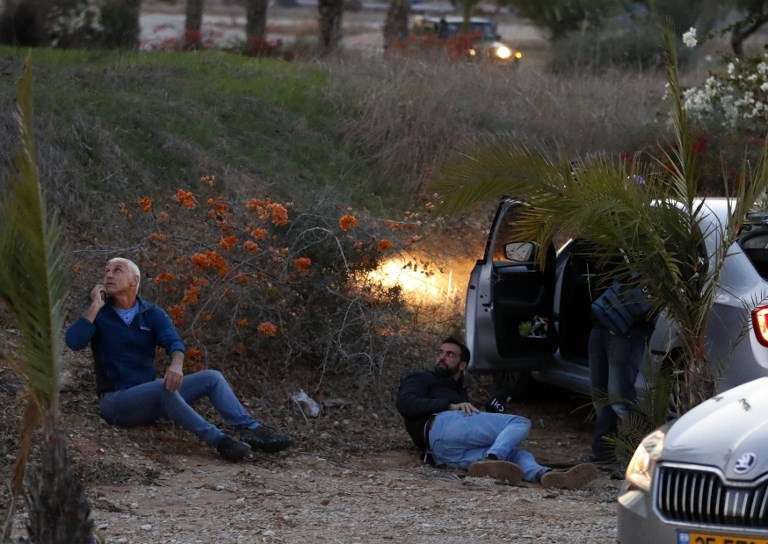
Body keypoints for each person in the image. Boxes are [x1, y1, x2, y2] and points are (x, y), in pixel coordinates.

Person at [65, 257, 292, 462]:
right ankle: (220, 441)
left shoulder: (151, 313)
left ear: (135, 280)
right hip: (116, 403)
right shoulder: (99, 315)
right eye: (106, 270)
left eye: (117, 270)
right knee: (162, 388)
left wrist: (177, 364)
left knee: (212, 377)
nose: (109, 275)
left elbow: (174, 343)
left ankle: (251, 429)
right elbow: (74, 342)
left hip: (152, 399)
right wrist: (95, 304)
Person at [396, 337, 598, 488]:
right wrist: (449, 405)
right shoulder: (421, 378)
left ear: (462, 365)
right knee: (519, 423)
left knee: (516, 453)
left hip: (442, 454)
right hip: (439, 425)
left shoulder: (458, 392)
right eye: (441, 352)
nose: (442, 357)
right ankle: (493, 458)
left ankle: (545, 476)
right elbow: (406, 404)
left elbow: (472, 424)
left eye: (450, 354)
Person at [588, 279, 654, 463]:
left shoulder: (645, 260)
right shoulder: (619, 257)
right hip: (601, 323)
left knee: (620, 399)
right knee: (601, 396)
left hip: (627, 331)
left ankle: (634, 458)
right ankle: (603, 453)